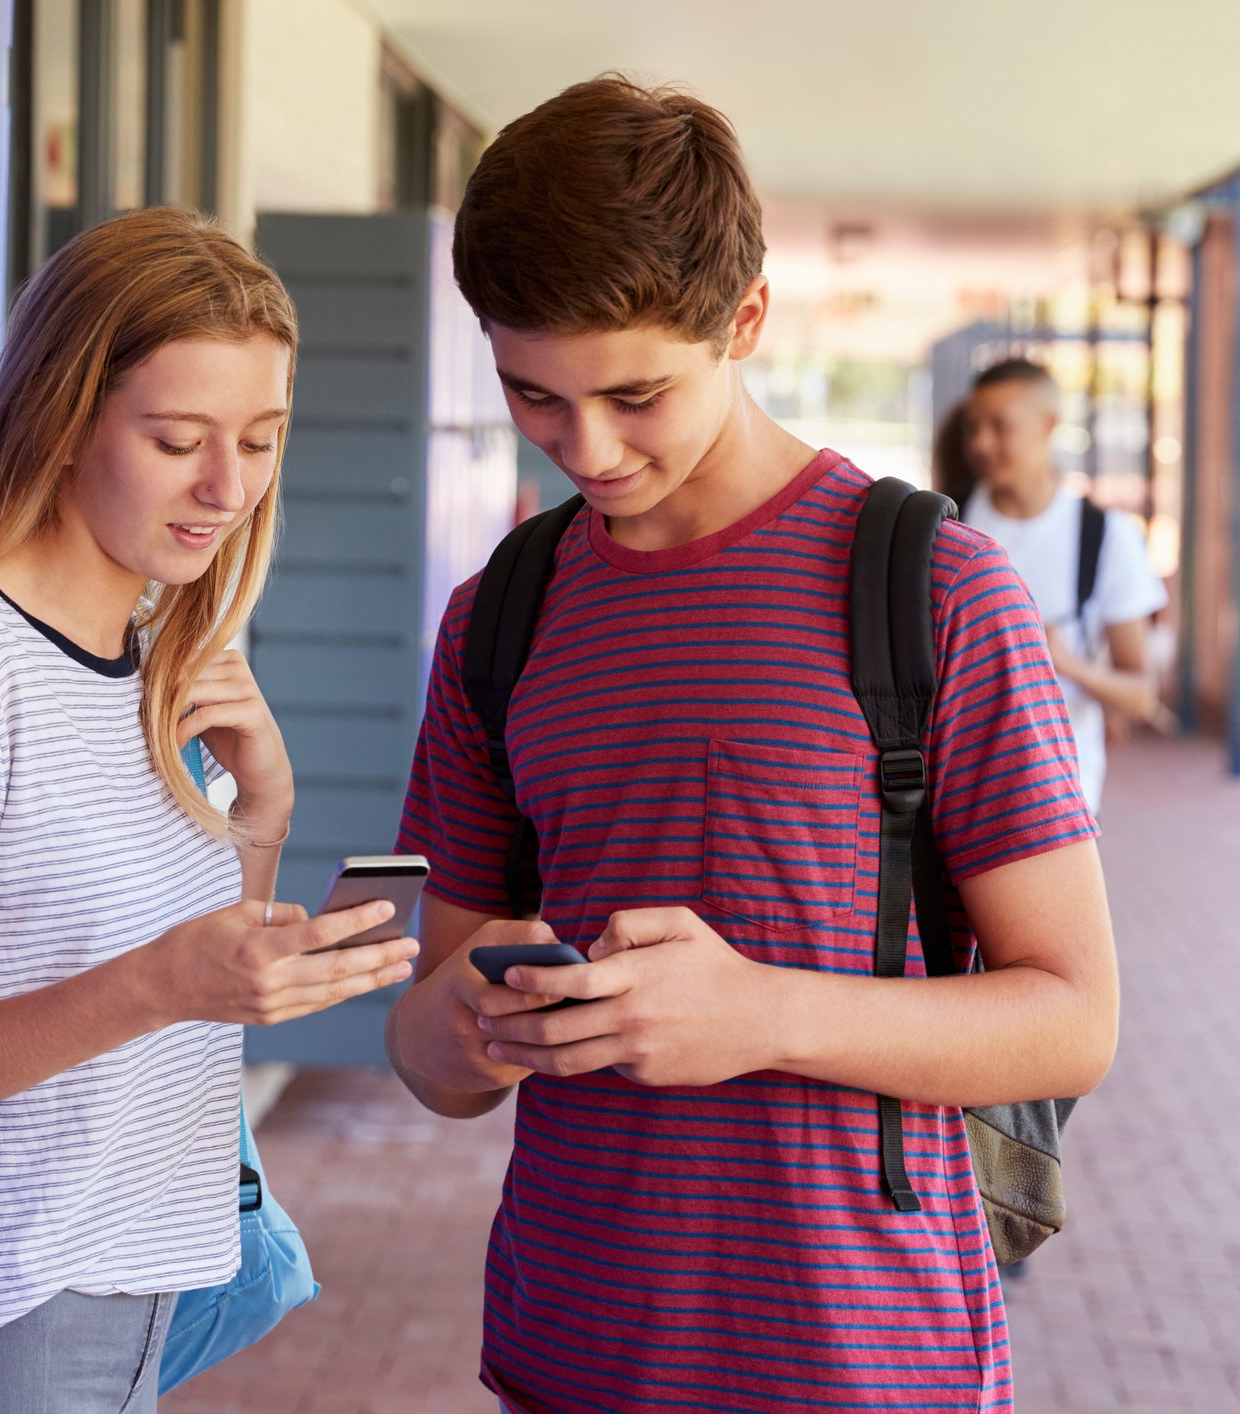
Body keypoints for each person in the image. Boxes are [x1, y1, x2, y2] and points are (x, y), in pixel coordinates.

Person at [384, 78, 1120, 1414]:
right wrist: (478, 1015)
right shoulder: (498, 617)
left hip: (866, 1359)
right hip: (571, 1345)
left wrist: (762, 1011)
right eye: (534, 396)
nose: (587, 448)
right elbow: (433, 1066)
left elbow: (1074, 1017)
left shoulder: (934, 589)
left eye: (636, 393)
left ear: (747, 318)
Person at [0, 207, 413, 1410]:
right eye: (179, 437)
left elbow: (194, 980)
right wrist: (156, 983)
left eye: (260, 437)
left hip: (134, 1303)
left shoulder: (145, 649)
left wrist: (263, 817)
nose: (228, 486)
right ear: (66, 418)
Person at [958, 359, 1163, 814]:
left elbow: (1142, 694)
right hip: (953, 796)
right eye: (974, 427)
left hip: (1060, 802)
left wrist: (1067, 664)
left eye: (999, 426)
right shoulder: (944, 524)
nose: (981, 443)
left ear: (1049, 424)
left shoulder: (1106, 537)